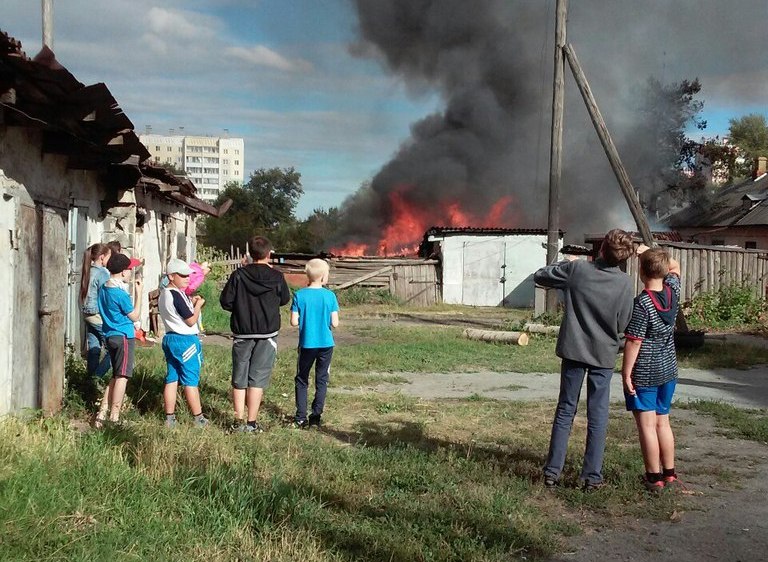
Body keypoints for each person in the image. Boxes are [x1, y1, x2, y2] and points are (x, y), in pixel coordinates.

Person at [534, 229, 635, 491]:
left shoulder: (578, 270)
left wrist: (564, 264)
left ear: (601, 249)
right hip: (603, 355)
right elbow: (624, 323)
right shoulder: (625, 283)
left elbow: (541, 276)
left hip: (574, 351)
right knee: (598, 414)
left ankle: (552, 472)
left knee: (566, 410)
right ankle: (591, 477)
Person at [622, 245, 682, 492]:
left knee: (647, 426)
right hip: (669, 369)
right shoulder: (673, 292)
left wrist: (626, 373)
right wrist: (651, 251)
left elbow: (634, 341)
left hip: (645, 373)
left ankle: (653, 477)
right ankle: (669, 473)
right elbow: (676, 266)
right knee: (663, 423)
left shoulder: (642, 303)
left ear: (641, 272)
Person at [220, 236, 290, 433]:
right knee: (257, 378)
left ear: (249, 254)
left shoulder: (239, 275)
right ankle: (252, 423)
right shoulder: (277, 277)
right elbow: (284, 299)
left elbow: (226, 302)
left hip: (243, 332)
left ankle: (237, 421)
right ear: (269, 254)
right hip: (267, 333)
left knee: (239, 376)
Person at [290, 258, 340, 429]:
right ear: (324, 276)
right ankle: (316, 416)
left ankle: (300, 417)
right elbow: (335, 323)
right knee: (322, 379)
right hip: (326, 344)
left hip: (306, 344)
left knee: (302, 379)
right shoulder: (330, 296)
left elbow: (294, 322)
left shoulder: (299, 295)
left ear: (308, 275)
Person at [158, 258, 207, 428]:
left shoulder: (165, 293)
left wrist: (191, 303)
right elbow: (191, 321)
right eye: (183, 275)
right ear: (171, 276)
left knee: (172, 378)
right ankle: (198, 417)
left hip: (170, 338)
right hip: (185, 341)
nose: (187, 278)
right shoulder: (177, 295)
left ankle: (169, 417)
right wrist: (199, 305)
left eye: (188, 275)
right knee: (190, 380)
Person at [95, 253, 142, 427]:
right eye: (129, 269)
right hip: (123, 336)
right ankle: (114, 416)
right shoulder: (120, 294)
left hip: (109, 335)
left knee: (115, 375)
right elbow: (134, 315)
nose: (130, 272)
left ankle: (102, 413)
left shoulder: (104, 288)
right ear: (123, 272)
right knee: (123, 376)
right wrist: (139, 294)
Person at [80, 243, 112, 378]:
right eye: (109, 257)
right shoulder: (102, 273)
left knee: (94, 348)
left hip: (87, 313)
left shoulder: (89, 269)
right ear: (102, 257)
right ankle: (96, 378)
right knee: (114, 350)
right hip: (97, 314)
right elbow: (106, 295)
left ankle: (89, 381)